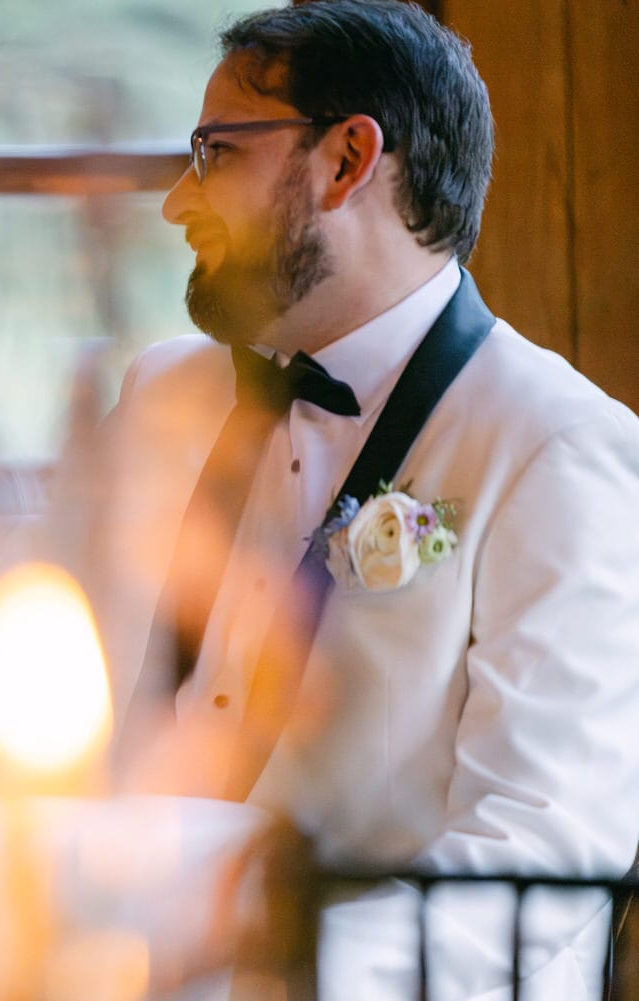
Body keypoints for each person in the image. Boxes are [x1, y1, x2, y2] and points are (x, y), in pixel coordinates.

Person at [96, 1, 639, 997]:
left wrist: (255, 972)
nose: (180, 199)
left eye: (216, 152)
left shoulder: (556, 445)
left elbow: (547, 857)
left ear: (347, 161)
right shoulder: (160, 395)